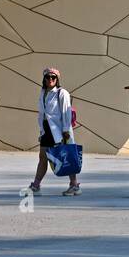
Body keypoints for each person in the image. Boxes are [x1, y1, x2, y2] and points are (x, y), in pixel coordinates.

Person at [28, 66, 79, 196]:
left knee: (66, 156)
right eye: (47, 77)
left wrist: (66, 130)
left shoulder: (62, 93)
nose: (50, 79)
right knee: (42, 157)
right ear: (44, 79)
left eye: (53, 77)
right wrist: (41, 131)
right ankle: (36, 184)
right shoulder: (43, 93)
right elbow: (42, 114)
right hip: (47, 130)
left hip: (60, 130)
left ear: (57, 79)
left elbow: (66, 112)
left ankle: (74, 185)